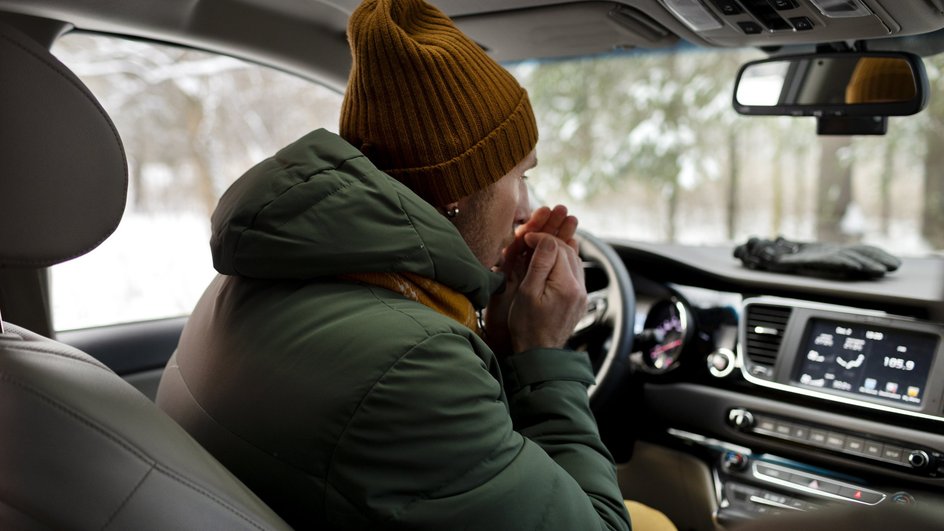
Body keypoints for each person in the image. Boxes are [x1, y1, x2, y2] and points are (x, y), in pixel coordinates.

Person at [157, 0, 669, 529]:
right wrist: (542, 355)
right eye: (518, 175)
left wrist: (492, 342)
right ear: (457, 190)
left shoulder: (250, 275)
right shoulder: (412, 367)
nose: (523, 210)